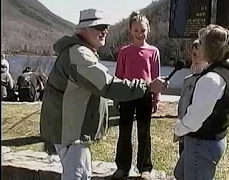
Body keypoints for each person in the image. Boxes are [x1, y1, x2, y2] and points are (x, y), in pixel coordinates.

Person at [39, 9, 168, 180]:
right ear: (82, 30)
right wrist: (149, 86)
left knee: (82, 174)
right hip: (70, 134)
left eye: (106, 26)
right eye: (99, 27)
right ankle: (124, 167)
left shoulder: (80, 52)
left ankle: (144, 167)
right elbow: (109, 85)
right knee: (77, 175)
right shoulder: (80, 55)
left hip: (72, 133)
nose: (105, 31)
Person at [173, 24, 229, 180]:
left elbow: (195, 118)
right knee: (180, 174)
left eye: (201, 43)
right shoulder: (225, 72)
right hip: (208, 142)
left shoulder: (211, 79)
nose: (198, 46)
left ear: (211, 48)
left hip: (202, 145)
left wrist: (178, 130)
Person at [112, 11, 160, 180]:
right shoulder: (124, 52)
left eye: (143, 30)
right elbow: (118, 76)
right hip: (126, 94)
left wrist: (156, 98)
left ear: (148, 31)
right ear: (130, 31)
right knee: (124, 132)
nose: (140, 34)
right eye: (136, 30)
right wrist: (116, 97)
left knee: (144, 132)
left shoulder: (153, 52)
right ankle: (123, 167)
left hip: (145, 96)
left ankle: (145, 167)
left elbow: (156, 78)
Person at [177, 39, 207, 156]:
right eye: (194, 54)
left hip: (197, 134)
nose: (197, 58)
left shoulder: (207, 80)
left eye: (201, 55)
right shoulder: (187, 80)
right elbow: (182, 105)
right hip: (184, 130)